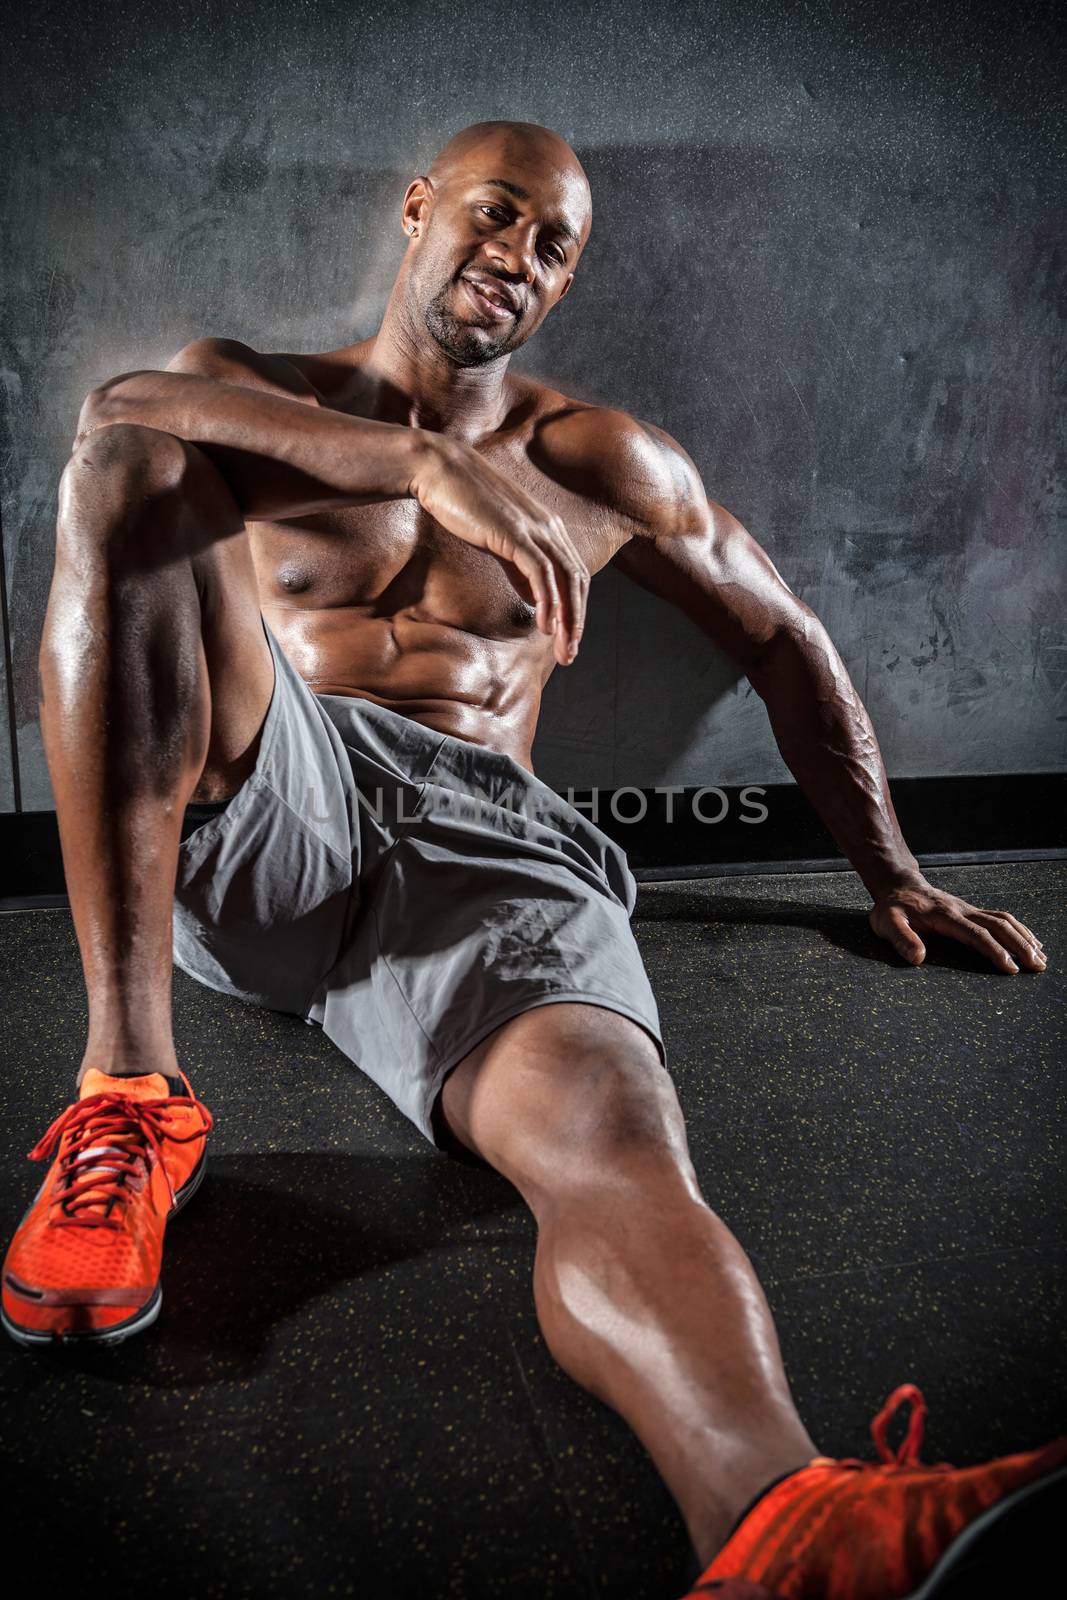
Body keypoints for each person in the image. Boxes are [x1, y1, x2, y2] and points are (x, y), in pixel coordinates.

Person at [3, 119, 1062, 1598]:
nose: (517, 257)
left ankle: (787, 1524)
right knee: (128, 472)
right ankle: (128, 1091)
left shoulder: (602, 458)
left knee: (614, 1146)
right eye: (497, 216)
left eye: (554, 246)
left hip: (490, 848)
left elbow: (786, 646)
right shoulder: (256, 392)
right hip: (283, 797)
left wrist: (890, 871)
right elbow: (114, 415)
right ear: (421, 208)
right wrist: (420, 464)